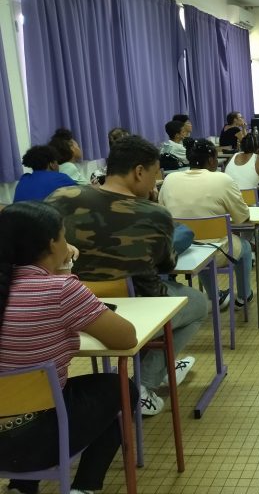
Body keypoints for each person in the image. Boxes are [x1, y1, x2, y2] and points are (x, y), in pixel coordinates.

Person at [47, 135, 207, 416]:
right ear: (139, 172)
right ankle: (143, 384)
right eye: (155, 174)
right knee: (197, 303)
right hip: (140, 307)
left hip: (73, 307)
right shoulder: (154, 214)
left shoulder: (61, 198)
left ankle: (157, 367)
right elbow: (166, 265)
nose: (155, 181)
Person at [0, 201, 138, 494]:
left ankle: (22, 487)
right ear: (53, 243)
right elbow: (126, 338)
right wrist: (63, 277)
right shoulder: (61, 289)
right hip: (35, 442)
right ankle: (84, 487)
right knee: (120, 389)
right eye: (64, 236)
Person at [160, 139, 253, 309]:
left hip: (180, 251)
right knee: (244, 248)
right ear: (211, 160)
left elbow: (163, 215)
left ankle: (215, 296)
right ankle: (244, 297)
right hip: (214, 251)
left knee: (199, 243)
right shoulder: (222, 179)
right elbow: (243, 217)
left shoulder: (169, 179)